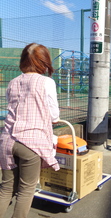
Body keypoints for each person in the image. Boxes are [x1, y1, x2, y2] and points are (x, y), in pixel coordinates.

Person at [0, 43, 60, 218]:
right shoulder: (46, 82)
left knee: (6, 188)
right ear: (44, 61)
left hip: (7, 141)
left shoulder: (13, 82)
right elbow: (54, 115)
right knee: (26, 190)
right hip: (31, 142)